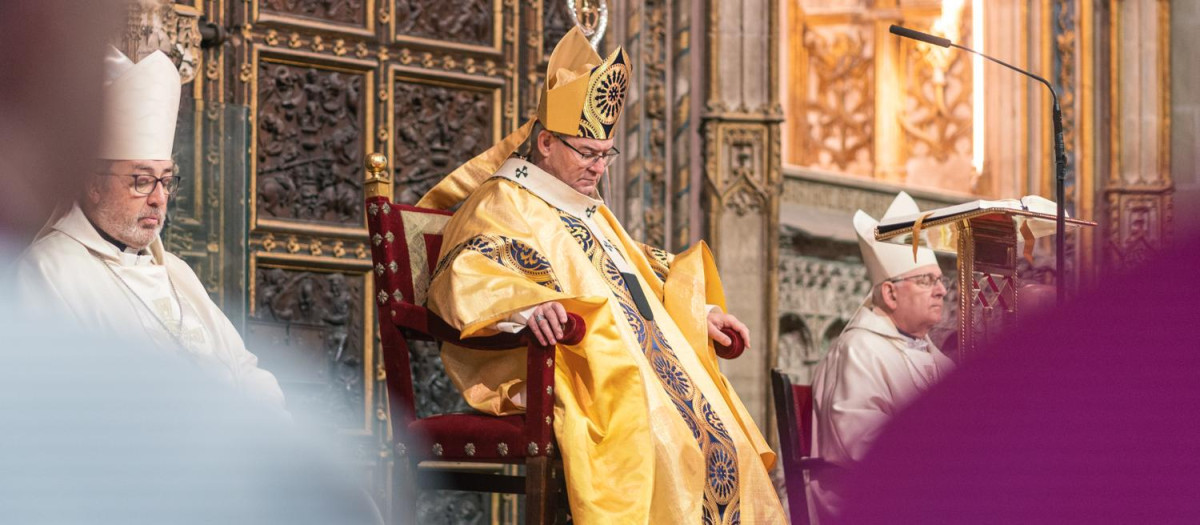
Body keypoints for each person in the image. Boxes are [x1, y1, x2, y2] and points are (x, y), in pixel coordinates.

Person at [419, 27, 785, 523]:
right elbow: (466, 271)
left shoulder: (587, 207)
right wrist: (527, 308)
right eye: (586, 153)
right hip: (570, 369)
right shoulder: (502, 199)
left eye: (606, 154)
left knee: (730, 439)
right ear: (545, 142)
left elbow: (638, 274)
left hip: (633, 370)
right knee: (657, 437)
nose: (598, 168)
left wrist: (702, 310)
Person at [12, 46, 286, 411]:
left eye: (166, 180)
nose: (159, 198)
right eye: (142, 180)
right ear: (93, 183)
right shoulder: (47, 272)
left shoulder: (175, 271)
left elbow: (246, 370)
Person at [809, 192, 956, 521]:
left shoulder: (940, 361)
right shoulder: (859, 350)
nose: (941, 290)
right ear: (889, 293)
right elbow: (862, 446)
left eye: (939, 280)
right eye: (926, 281)